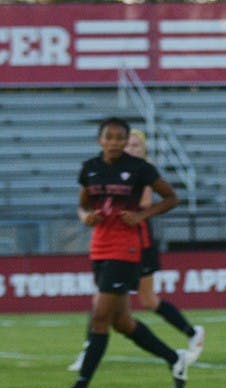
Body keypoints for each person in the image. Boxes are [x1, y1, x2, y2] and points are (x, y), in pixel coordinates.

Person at [49, 117, 194, 388]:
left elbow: (171, 198)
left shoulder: (139, 169)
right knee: (122, 322)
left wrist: (142, 216)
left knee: (100, 318)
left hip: (125, 249)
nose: (114, 142)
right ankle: (174, 358)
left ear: (125, 141)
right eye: (109, 137)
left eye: (119, 138)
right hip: (99, 247)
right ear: (99, 140)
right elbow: (83, 204)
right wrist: (85, 217)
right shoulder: (90, 168)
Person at [68, 129, 205, 372]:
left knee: (146, 300)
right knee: (109, 303)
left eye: (135, 145)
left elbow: (144, 203)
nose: (129, 149)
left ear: (143, 149)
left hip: (138, 241)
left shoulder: (142, 171)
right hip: (117, 242)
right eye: (127, 144)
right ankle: (185, 341)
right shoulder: (116, 169)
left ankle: (187, 338)